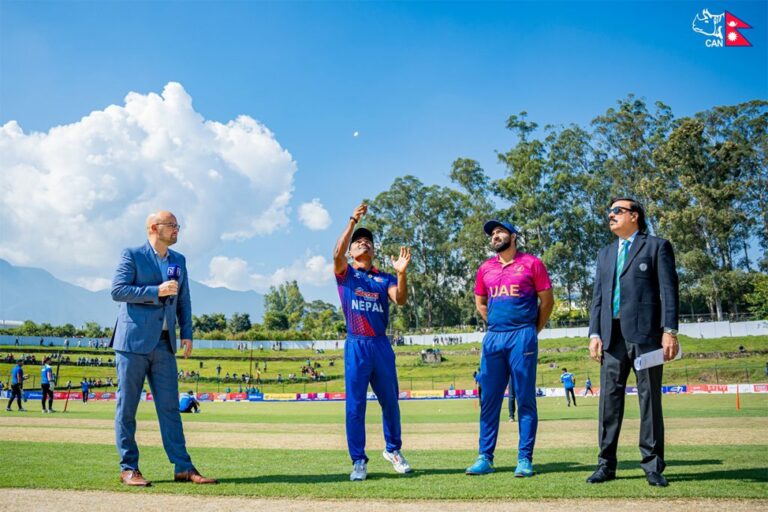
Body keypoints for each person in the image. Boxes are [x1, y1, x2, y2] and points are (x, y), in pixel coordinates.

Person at [110, 210, 216, 487]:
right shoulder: (132, 255)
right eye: (172, 225)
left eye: (177, 225)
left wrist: (187, 333)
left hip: (165, 344)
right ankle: (129, 468)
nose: (177, 229)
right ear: (154, 228)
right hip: (132, 343)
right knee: (127, 408)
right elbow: (118, 290)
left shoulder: (179, 260)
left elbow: (184, 299)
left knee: (170, 409)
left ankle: (183, 467)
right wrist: (155, 291)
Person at [586, 198, 679, 488]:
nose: (611, 215)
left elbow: (669, 291)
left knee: (649, 400)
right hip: (610, 337)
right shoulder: (604, 254)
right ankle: (606, 464)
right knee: (608, 402)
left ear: (634, 216)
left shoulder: (656, 247)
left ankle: (652, 466)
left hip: (647, 336)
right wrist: (594, 334)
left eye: (617, 211)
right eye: (609, 211)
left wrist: (669, 330)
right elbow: (598, 297)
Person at [466, 220, 554, 477]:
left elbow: (547, 302)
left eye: (500, 232)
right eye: (492, 233)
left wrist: (531, 330)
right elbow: (481, 303)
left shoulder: (532, 263)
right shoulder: (485, 268)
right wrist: (496, 324)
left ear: (513, 236)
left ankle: (524, 459)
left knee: (525, 398)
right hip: (494, 337)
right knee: (489, 400)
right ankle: (485, 457)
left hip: (523, 335)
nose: (495, 236)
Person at [333, 203, 413, 481]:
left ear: (374, 251)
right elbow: (336, 254)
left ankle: (393, 450)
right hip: (357, 345)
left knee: (390, 402)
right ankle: (358, 460)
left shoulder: (384, 278)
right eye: (358, 242)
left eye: (368, 241)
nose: (363, 243)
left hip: (380, 345)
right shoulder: (346, 274)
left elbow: (400, 299)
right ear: (351, 252)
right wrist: (352, 221)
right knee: (355, 406)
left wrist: (401, 273)